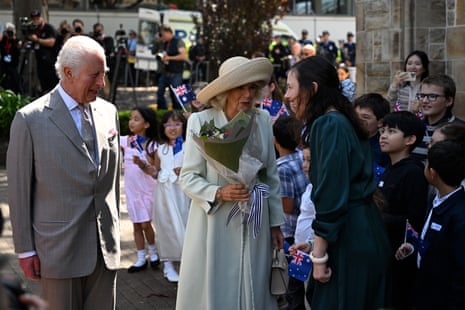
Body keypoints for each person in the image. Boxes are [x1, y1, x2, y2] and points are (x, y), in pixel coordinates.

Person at [6, 35, 121, 309]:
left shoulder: (110, 112)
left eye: (103, 74)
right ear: (68, 72)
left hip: (106, 249)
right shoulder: (29, 119)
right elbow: (19, 192)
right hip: (57, 252)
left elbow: (113, 182)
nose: (101, 84)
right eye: (94, 75)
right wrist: (25, 249)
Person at [177, 56, 285, 309]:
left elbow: (270, 176)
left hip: (255, 218)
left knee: (254, 285)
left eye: (252, 87)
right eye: (240, 87)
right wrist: (218, 192)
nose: (247, 94)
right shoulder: (200, 121)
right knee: (215, 287)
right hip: (214, 222)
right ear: (226, 90)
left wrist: (276, 224)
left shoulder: (262, 122)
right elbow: (188, 176)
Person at [284, 56, 390, 309]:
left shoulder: (328, 123)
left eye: (290, 87)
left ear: (313, 89)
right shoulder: (340, 119)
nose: (286, 95)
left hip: (350, 240)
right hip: (357, 232)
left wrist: (318, 256)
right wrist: (314, 244)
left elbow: (332, 194)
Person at [395, 139, 465, 309]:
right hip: (425, 289)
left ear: (432, 173)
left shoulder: (459, 214)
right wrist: (415, 249)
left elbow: (460, 270)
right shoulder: (437, 199)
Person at [377, 111, 428, 308]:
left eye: (391, 131)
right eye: (382, 130)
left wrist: (380, 218)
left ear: (410, 139)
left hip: (399, 253)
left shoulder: (413, 172)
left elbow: (414, 218)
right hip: (382, 250)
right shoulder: (389, 168)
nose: (383, 135)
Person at [273, 115, 309, 310]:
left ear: (274, 140)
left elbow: (286, 207)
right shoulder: (302, 157)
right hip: (305, 230)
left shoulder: (282, 169)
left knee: (294, 284)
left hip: (292, 234)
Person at [120, 107, 160, 273]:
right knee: (136, 224)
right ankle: (141, 257)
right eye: (130, 118)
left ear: (147, 124)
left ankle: (153, 253)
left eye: (136, 119)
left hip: (147, 191)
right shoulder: (126, 141)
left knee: (145, 223)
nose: (131, 122)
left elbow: (156, 170)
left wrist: (142, 164)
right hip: (132, 191)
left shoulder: (152, 145)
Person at [151, 110, 190, 283]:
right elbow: (157, 171)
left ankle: (187, 263)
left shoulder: (190, 146)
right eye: (168, 124)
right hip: (165, 193)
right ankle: (168, 264)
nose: (172, 128)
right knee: (167, 227)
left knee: (185, 225)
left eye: (177, 123)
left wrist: (185, 170)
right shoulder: (161, 149)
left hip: (184, 193)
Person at [412, 74, 465, 161]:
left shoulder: (460, 130)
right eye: (422, 96)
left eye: (432, 96)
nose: (424, 101)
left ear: (448, 101)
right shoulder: (414, 127)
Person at [354, 93, 391, 183]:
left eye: (365, 117)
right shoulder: (346, 140)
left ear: (380, 122)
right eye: (355, 115)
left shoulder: (384, 148)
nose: (358, 121)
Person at [156, 25, 188, 110]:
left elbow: (183, 56)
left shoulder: (178, 41)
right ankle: (163, 111)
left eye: (163, 34)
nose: (162, 36)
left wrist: (169, 58)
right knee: (160, 93)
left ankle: (180, 112)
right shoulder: (165, 43)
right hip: (165, 72)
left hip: (176, 73)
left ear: (168, 32)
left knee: (177, 96)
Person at [28, 9, 59, 95]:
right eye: (34, 19)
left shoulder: (49, 28)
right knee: (43, 85)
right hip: (40, 62)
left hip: (50, 63)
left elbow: (51, 42)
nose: (36, 21)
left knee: (52, 86)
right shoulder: (34, 30)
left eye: (37, 18)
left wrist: (37, 40)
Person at [0, 22, 22, 93]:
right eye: (8, 31)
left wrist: (13, 39)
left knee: (15, 80)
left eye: (11, 31)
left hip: (13, 64)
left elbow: (18, 49)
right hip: (3, 65)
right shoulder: (3, 40)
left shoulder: (16, 41)